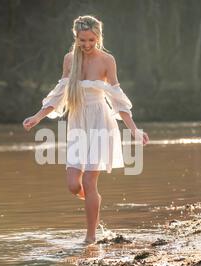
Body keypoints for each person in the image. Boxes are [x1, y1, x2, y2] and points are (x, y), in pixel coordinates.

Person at [23, 15, 149, 244]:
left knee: (90, 183)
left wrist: (134, 129)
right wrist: (37, 117)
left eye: (91, 39)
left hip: (101, 121)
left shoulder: (107, 60)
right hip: (77, 122)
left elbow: (117, 98)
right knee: (74, 185)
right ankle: (93, 201)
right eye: (82, 40)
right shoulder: (70, 60)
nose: (87, 44)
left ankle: (90, 238)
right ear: (76, 38)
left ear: (98, 37)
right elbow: (59, 94)